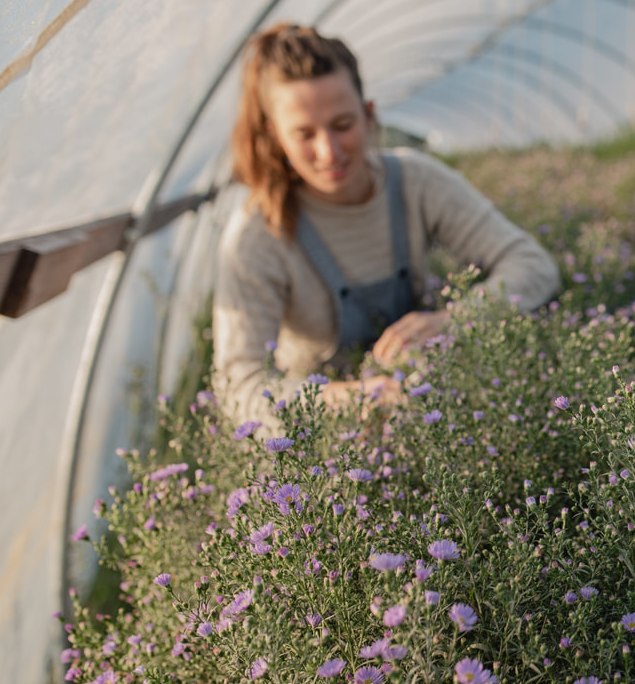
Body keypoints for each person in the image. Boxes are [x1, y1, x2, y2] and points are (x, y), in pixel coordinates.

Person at [212, 23, 560, 428]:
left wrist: (455, 322)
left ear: (369, 114)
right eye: (304, 134)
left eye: (343, 125)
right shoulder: (259, 234)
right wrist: (344, 399)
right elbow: (239, 388)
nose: (329, 151)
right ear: (275, 136)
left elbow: (533, 265)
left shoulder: (416, 182)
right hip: (325, 446)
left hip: (425, 409)